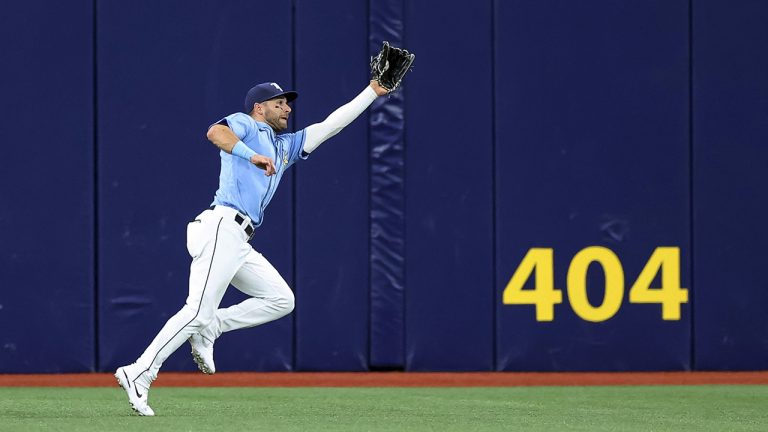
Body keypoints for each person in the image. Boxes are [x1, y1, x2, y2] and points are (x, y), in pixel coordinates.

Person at [115, 79, 391, 416]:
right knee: (196, 310)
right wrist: (252, 154)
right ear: (259, 107)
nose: (287, 107)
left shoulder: (285, 147)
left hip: (239, 239)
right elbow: (215, 133)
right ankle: (139, 372)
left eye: (287, 103)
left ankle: (214, 327)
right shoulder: (247, 124)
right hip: (222, 226)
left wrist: (372, 92)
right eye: (279, 103)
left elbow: (331, 125)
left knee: (280, 299)